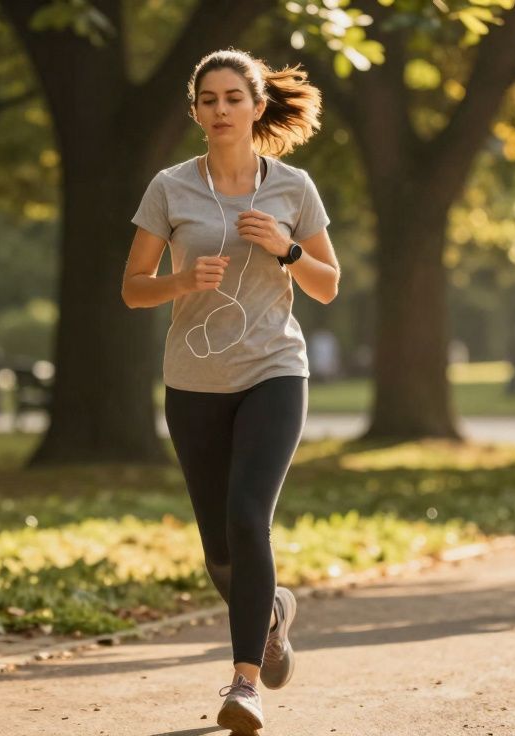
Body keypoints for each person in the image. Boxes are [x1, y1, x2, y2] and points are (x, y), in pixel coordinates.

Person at [122, 49, 340, 733]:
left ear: (256, 106)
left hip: (274, 370)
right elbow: (132, 289)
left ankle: (244, 684)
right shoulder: (170, 188)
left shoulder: (294, 187)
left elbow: (328, 284)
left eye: (233, 98)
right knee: (220, 548)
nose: (220, 110)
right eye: (208, 100)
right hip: (193, 381)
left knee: (249, 517)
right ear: (195, 111)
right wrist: (180, 283)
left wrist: (287, 247)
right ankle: (271, 611)